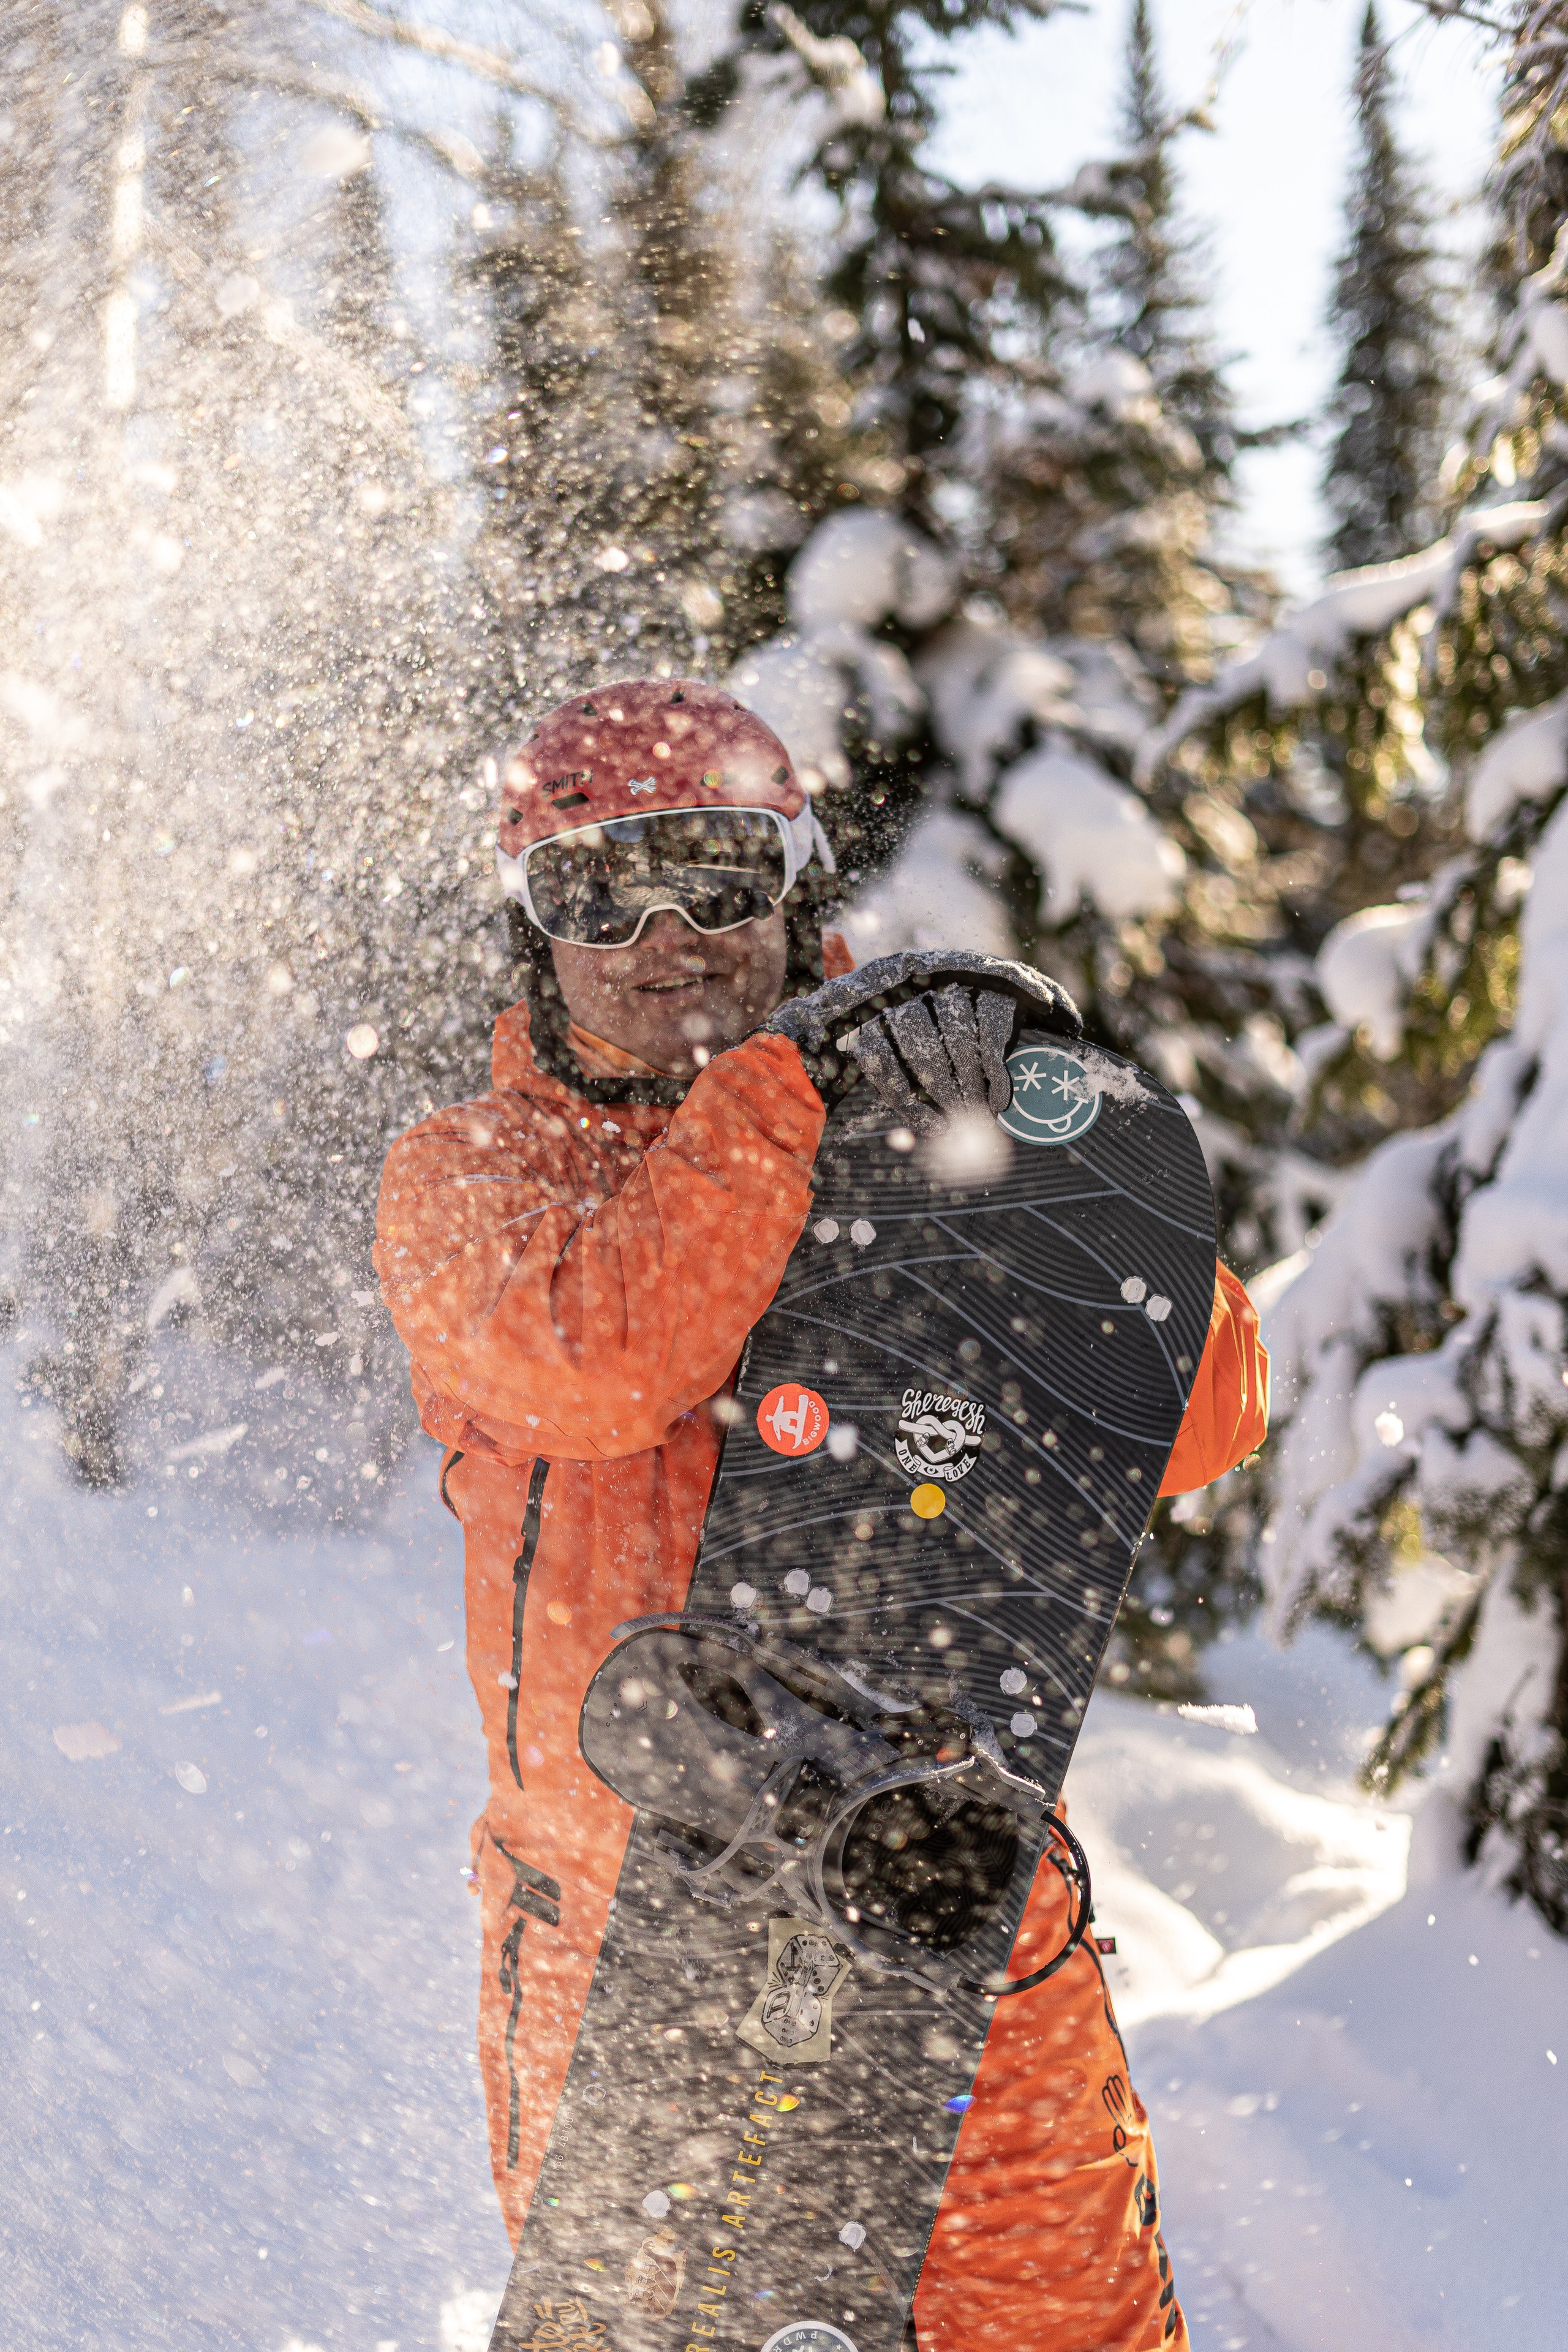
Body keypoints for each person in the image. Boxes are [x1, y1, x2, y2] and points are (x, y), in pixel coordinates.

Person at [374, 678, 1268, 2352]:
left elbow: (1194, 1419)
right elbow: (609, 1353)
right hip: (626, 1944)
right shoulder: (469, 1181)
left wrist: (1062, 1144)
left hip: (949, 1905)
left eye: (717, 878)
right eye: (596, 891)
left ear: (789, 883)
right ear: (529, 931)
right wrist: (795, 1090)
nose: (668, 935)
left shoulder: (935, 1126)